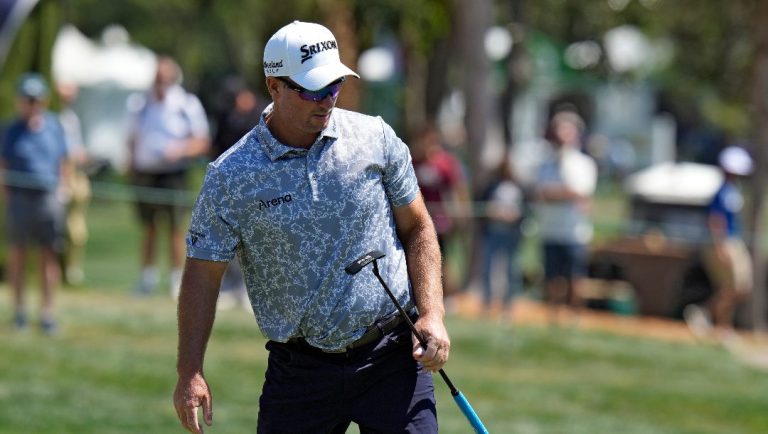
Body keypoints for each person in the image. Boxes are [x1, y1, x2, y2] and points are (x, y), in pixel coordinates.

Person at [173, 21, 449, 433]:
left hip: (392, 354)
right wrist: (189, 370)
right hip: (300, 372)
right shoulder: (232, 175)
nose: (327, 100)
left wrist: (433, 314)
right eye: (312, 90)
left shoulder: (374, 138)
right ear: (274, 86)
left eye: (334, 85)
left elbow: (418, 227)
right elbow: (202, 274)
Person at [126, 55, 210, 299]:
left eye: (165, 78)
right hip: (146, 173)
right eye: (157, 77)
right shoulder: (140, 103)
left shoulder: (186, 103)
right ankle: (147, 278)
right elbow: (131, 139)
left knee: (175, 226)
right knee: (148, 227)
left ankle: (176, 280)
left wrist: (180, 150)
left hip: (174, 174)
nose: (160, 82)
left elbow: (201, 141)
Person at [1, 73, 72, 334]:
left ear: (43, 100)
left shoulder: (55, 126)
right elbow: (4, 164)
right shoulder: (11, 130)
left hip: (48, 198)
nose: (31, 103)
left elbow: (64, 161)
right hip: (19, 198)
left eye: (35, 99)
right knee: (17, 254)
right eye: (27, 99)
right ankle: (19, 312)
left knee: (48, 255)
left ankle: (47, 313)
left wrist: (63, 189)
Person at [684, 146, 754, 343]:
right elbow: (716, 220)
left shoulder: (733, 191)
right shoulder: (722, 193)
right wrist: (720, 245)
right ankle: (721, 326)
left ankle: (705, 313)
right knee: (731, 286)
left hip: (733, 241)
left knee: (738, 287)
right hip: (725, 243)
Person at [534, 110, 597, 326]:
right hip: (550, 230)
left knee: (576, 278)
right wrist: (567, 193)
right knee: (551, 277)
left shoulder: (584, 164)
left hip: (575, 232)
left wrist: (559, 193)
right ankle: (553, 317)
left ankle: (575, 316)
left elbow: (582, 193)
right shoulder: (545, 163)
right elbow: (543, 192)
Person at [410, 122, 471, 301]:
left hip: (440, 220)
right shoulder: (414, 161)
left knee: (442, 258)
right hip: (418, 218)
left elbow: (459, 188)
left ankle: (448, 294)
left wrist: (462, 213)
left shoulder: (445, 162)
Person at [480, 158, 525, 319]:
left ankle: (508, 306)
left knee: (511, 270)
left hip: (512, 234)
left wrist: (515, 217)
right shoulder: (492, 186)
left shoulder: (518, 187)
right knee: (488, 268)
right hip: (493, 232)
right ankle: (487, 304)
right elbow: (482, 206)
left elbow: (526, 210)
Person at [56, 81, 91, 285]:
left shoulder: (71, 118)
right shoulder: (56, 117)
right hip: (61, 178)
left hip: (74, 177)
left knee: (76, 231)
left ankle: (71, 270)